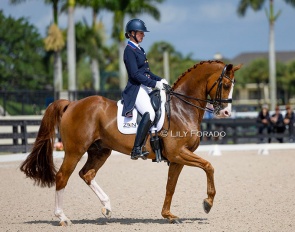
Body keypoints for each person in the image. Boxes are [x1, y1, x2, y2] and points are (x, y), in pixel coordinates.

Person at [122, 18, 168, 160]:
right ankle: (136, 148)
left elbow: (147, 72)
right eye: (141, 33)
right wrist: (153, 84)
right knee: (149, 113)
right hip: (136, 88)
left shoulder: (140, 49)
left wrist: (159, 79)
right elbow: (135, 75)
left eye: (143, 33)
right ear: (132, 33)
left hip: (144, 85)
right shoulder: (129, 50)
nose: (143, 35)